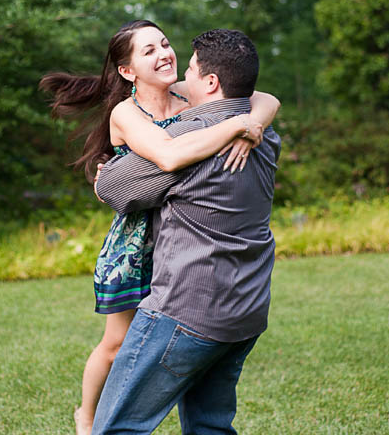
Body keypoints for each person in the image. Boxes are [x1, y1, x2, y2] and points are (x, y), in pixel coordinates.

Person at [39, 21, 280, 435]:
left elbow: (259, 96)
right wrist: (241, 126)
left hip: (185, 270)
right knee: (115, 344)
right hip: (142, 239)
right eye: (148, 51)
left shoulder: (193, 108)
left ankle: (99, 422)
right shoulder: (133, 113)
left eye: (166, 46)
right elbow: (164, 158)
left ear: (207, 81)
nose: (166, 56)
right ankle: (86, 412)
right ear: (128, 72)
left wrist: (252, 122)